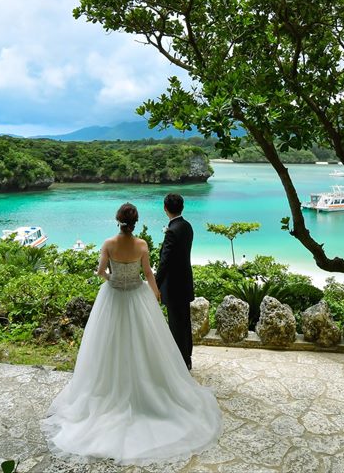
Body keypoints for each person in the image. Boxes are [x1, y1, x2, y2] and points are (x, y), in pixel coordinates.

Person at [40, 203, 221, 465]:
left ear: (118, 220)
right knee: (147, 345)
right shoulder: (142, 245)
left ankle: (108, 392)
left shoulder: (109, 244)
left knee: (107, 345)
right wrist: (156, 292)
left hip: (113, 297)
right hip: (138, 297)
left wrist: (112, 278)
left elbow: (101, 271)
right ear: (135, 222)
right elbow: (148, 272)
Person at [155, 192, 195, 369]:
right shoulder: (187, 226)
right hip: (185, 282)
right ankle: (187, 358)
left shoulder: (172, 231)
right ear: (182, 207)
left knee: (176, 325)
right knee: (184, 322)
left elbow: (165, 262)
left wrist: (155, 285)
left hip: (173, 286)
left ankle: (180, 362)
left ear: (165, 209)